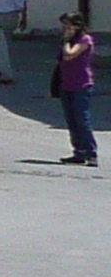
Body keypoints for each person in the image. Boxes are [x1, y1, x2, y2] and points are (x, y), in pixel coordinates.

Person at [57, 15, 97, 167]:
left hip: (81, 84)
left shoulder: (85, 40)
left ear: (77, 26)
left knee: (81, 120)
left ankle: (91, 153)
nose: (65, 29)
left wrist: (66, 40)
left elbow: (69, 55)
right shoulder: (67, 41)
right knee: (71, 120)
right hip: (66, 84)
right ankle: (78, 152)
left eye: (68, 26)